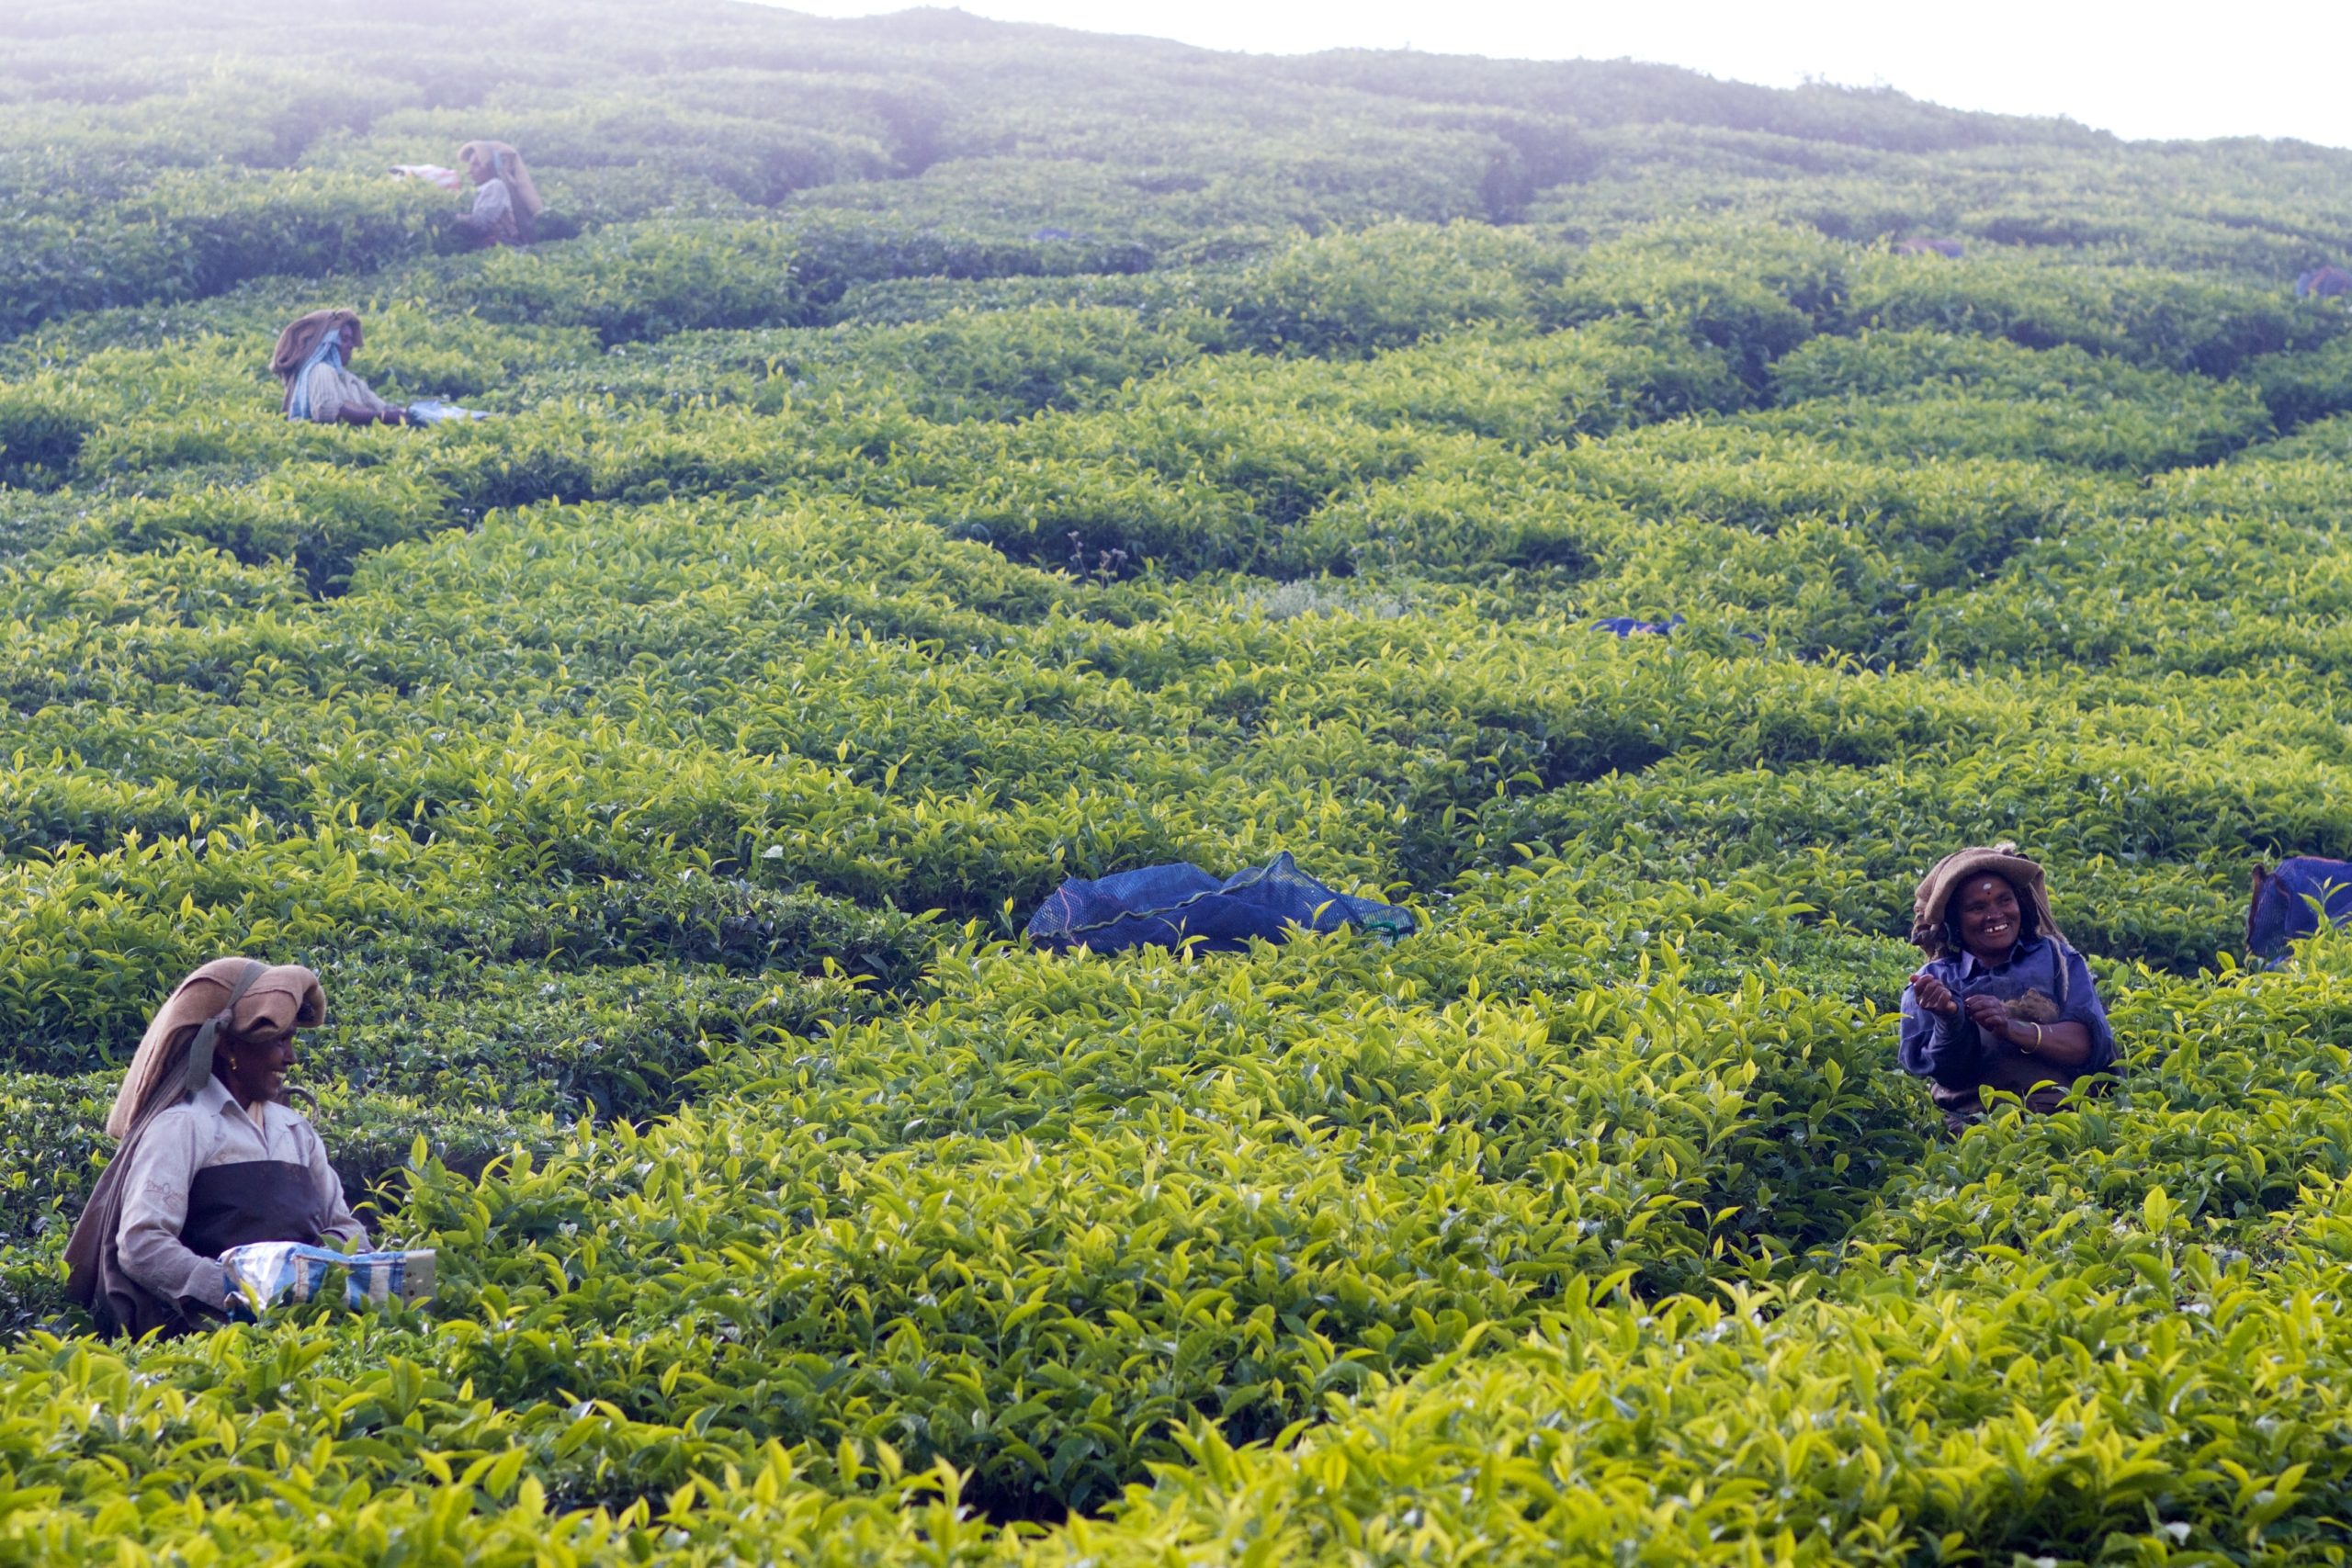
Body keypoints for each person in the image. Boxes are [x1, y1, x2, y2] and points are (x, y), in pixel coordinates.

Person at [64, 958, 367, 1337]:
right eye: (279, 1041)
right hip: (209, 1335)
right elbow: (141, 1243)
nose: (291, 1058)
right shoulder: (183, 1127)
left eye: (291, 1040)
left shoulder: (295, 1131)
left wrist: (317, 1270)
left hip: (304, 1330)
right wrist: (228, 1289)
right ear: (227, 1048)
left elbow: (343, 1225)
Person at [1898, 844, 2118, 1133]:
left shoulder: (2057, 959)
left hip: (2061, 1121)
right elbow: (1946, 1074)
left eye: (2004, 901)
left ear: (2021, 905)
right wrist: (1950, 1019)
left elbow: (2087, 1046)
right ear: (1955, 921)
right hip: (1970, 1128)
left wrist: (2011, 1028)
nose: (1995, 915)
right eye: (1977, 908)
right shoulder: (1934, 980)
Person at [270, 310, 407, 425]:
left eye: (351, 340)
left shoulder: (349, 379)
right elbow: (326, 409)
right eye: (344, 339)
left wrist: (407, 413)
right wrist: (382, 417)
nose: (351, 346)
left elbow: (382, 408)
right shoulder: (320, 370)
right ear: (328, 344)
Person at [452, 139, 542, 247]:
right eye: (470, 165)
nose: (469, 171)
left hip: (503, 246)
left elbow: (482, 222)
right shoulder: (485, 187)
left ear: (490, 167)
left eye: (476, 165)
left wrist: (455, 217)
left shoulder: (495, 186)